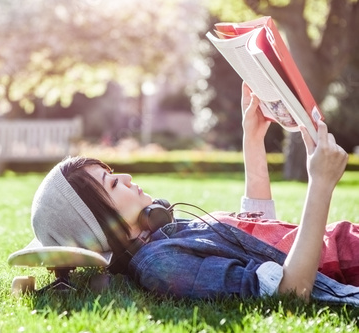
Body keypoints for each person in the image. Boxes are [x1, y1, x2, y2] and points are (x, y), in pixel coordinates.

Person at [30, 82, 359, 305]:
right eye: (113, 183)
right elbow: (289, 291)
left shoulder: (163, 234)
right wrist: (321, 184)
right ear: (102, 225)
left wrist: (252, 139)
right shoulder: (161, 262)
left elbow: (259, 242)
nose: (127, 177)